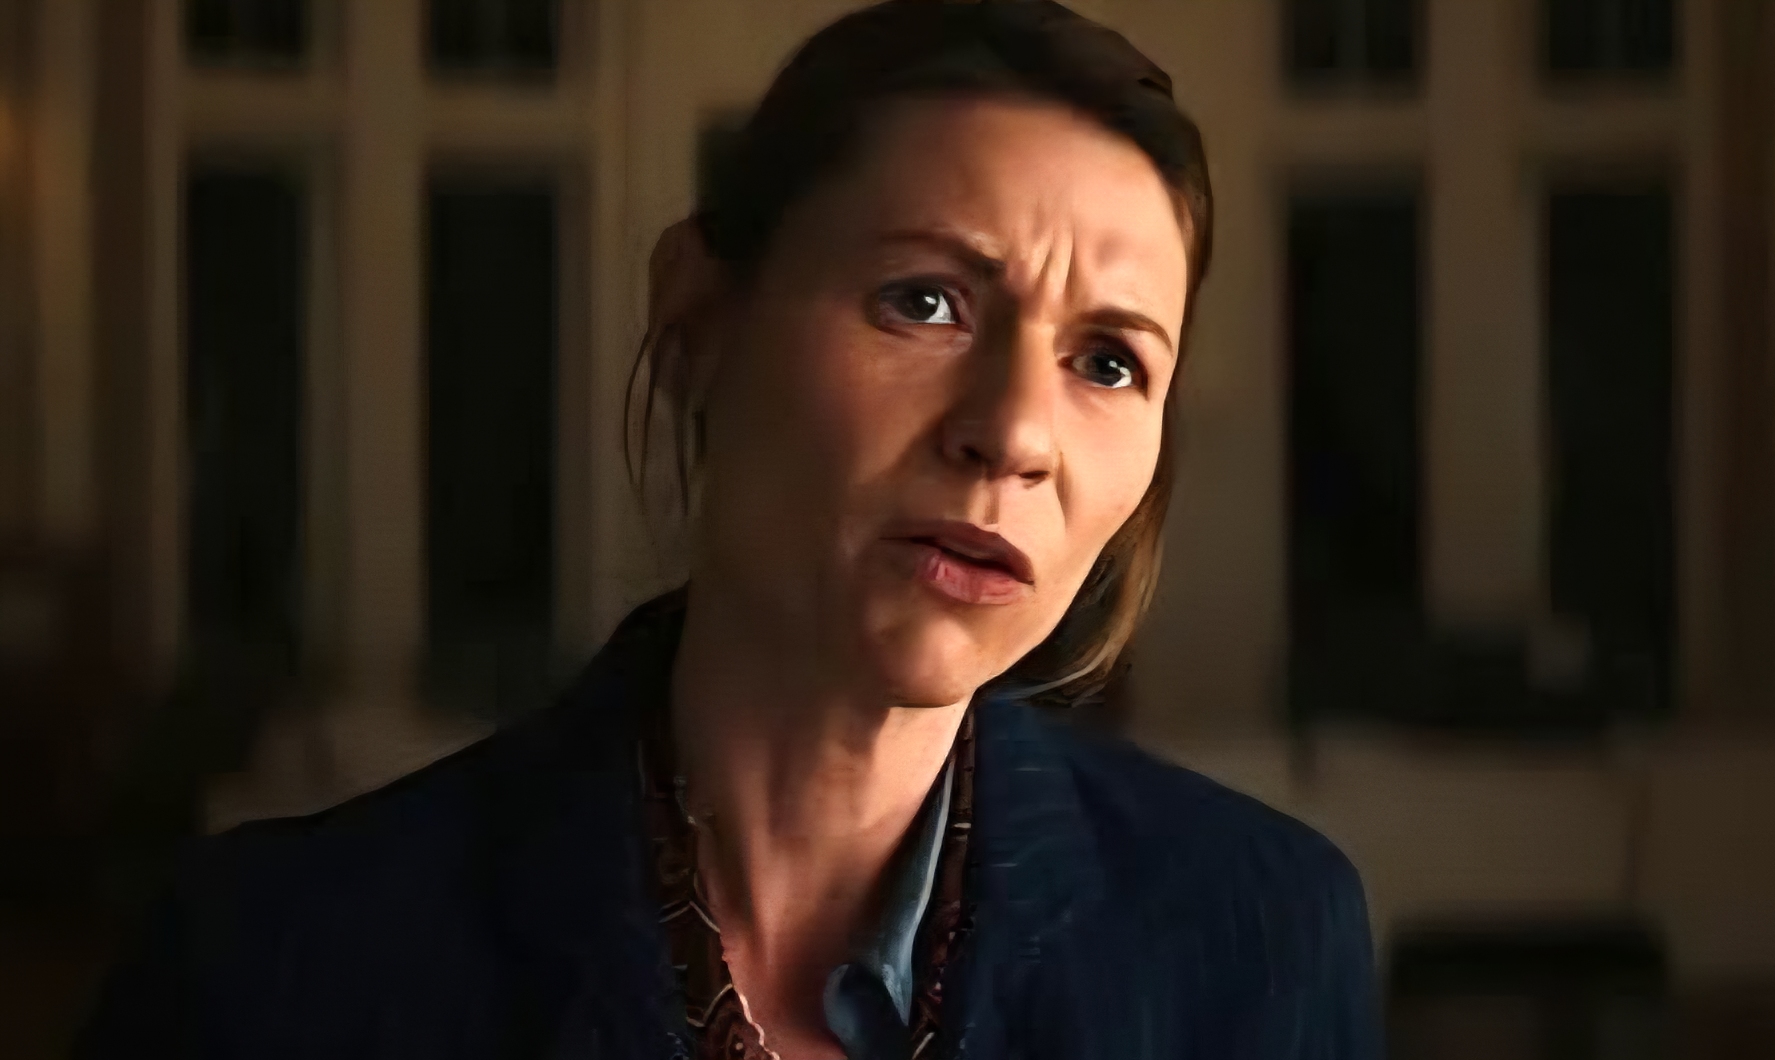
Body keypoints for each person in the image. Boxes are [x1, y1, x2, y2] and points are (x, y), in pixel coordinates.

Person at [79, 2, 1381, 1057]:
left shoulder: (1258, 936)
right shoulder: (280, 968)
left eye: (1108, 364)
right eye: (925, 301)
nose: (1016, 434)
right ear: (699, 317)